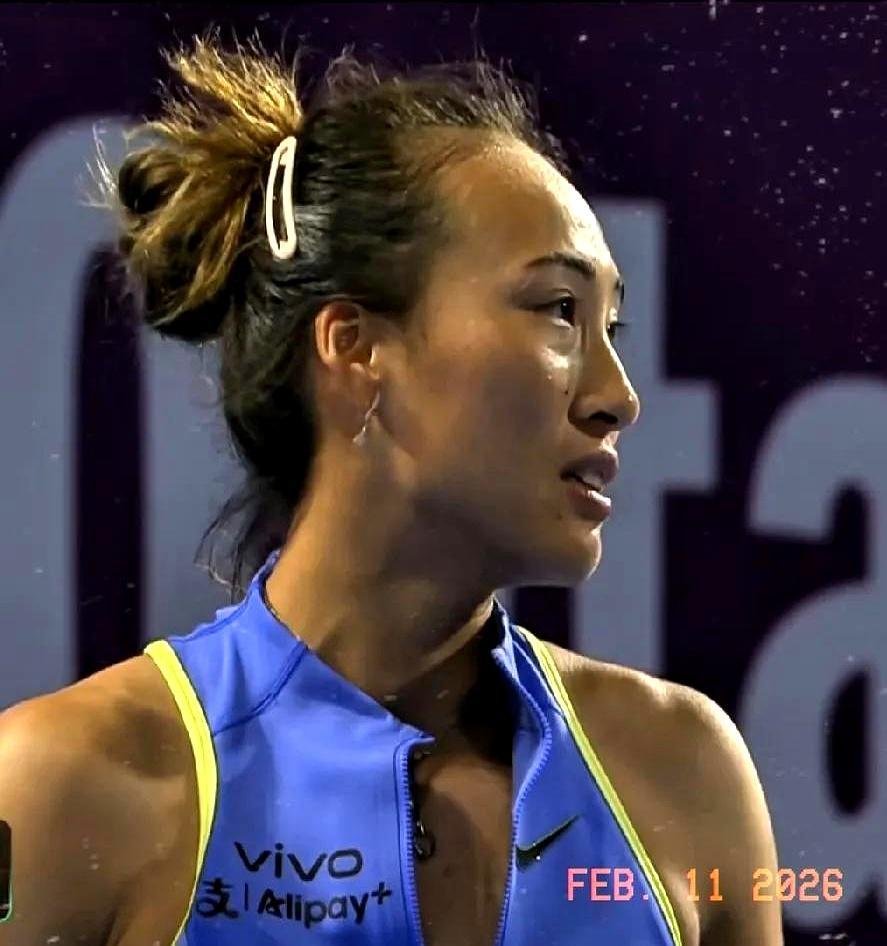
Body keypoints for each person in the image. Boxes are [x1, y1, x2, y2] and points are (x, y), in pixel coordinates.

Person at [0, 32, 783, 946]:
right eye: (557, 310)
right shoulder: (61, 787)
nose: (617, 396)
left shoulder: (685, 775)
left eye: (609, 325)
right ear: (356, 349)